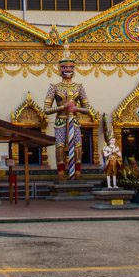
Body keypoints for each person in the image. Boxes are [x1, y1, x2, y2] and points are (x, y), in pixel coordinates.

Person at [44, 42, 90, 180]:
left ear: (74, 68)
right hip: (60, 120)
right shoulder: (54, 87)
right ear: (60, 69)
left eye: (70, 67)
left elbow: (87, 109)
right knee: (59, 146)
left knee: (78, 145)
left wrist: (76, 108)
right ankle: (60, 172)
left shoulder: (79, 87)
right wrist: (63, 107)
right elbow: (46, 110)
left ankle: (77, 170)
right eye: (64, 67)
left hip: (74, 120)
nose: (67, 69)